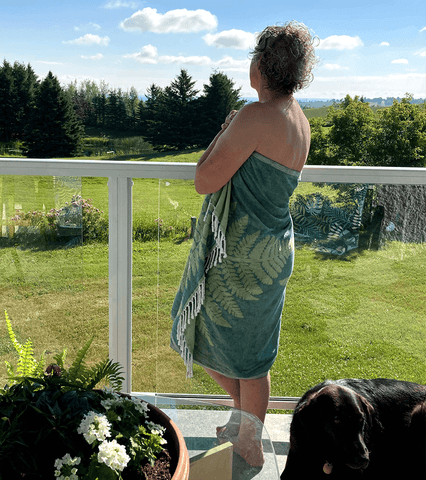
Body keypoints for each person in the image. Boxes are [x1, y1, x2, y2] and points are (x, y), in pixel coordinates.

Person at [170, 21, 318, 466]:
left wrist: (225, 129)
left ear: (262, 66)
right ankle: (243, 425)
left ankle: (250, 442)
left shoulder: (256, 116)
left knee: (231, 349)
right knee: (253, 352)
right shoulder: (299, 119)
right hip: (272, 251)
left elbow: (204, 179)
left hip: (241, 258)